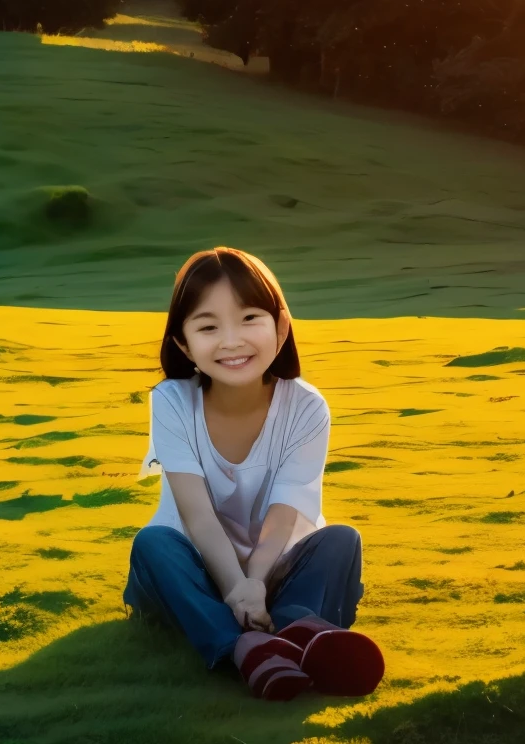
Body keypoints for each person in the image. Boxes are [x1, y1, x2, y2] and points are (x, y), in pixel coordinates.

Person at [124, 247, 385, 702]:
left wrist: (255, 583)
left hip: (274, 569)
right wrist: (235, 587)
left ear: (281, 327)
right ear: (184, 344)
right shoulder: (170, 402)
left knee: (342, 539)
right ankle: (242, 645)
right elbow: (197, 515)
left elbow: (286, 511)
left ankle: (298, 627)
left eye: (249, 319)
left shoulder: (305, 407)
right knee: (153, 544)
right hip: (197, 569)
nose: (231, 341)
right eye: (208, 327)